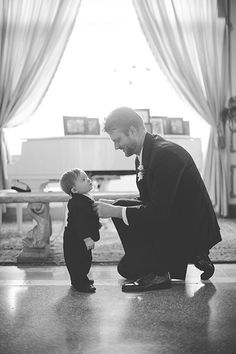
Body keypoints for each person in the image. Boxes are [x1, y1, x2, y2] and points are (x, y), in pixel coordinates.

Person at [94, 107, 222, 292]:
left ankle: (160, 273)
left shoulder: (165, 155)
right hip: (172, 216)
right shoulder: (143, 156)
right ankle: (178, 258)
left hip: (189, 229)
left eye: (118, 140)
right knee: (127, 268)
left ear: (132, 131)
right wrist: (115, 207)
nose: (116, 147)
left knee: (119, 211)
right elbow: (150, 201)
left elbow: (158, 212)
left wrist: (113, 212)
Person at [60, 168, 100, 293]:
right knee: (78, 261)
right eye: (83, 179)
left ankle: (81, 278)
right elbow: (80, 223)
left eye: (87, 177)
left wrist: (96, 224)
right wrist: (87, 238)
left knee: (86, 259)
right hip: (76, 239)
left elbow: (88, 217)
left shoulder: (84, 198)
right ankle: (80, 283)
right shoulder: (77, 203)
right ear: (74, 190)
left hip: (79, 237)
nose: (88, 180)